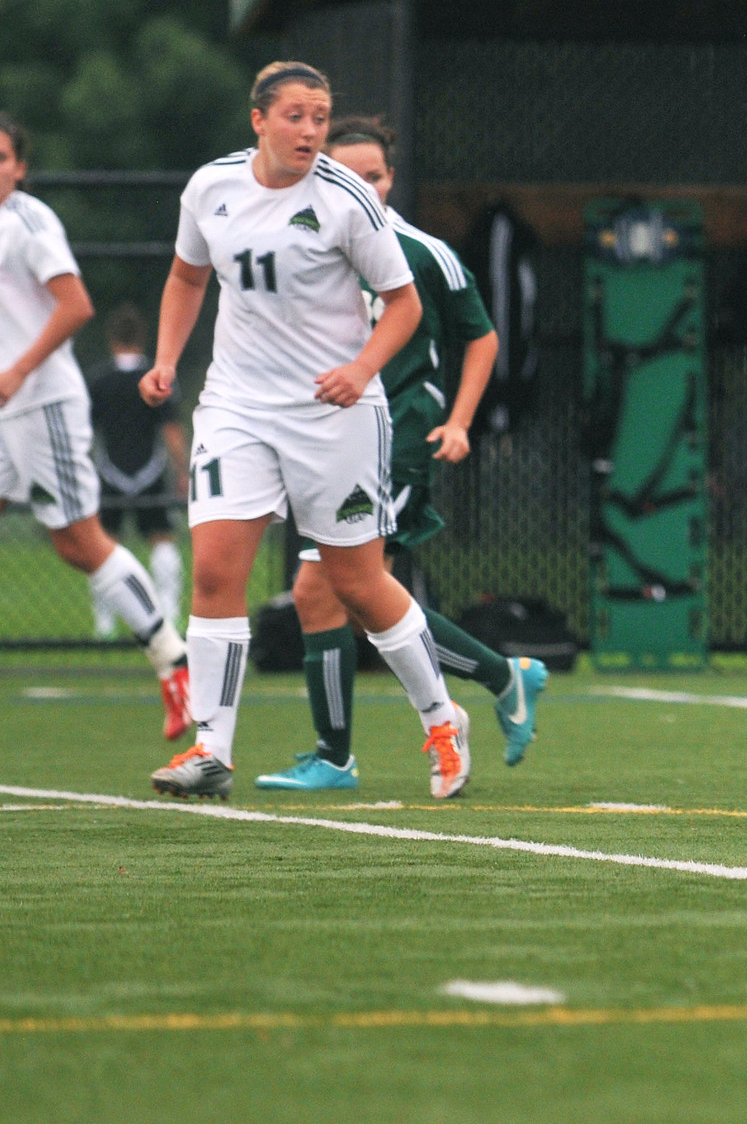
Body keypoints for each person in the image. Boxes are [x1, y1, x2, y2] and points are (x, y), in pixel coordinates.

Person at [145, 62, 470, 801]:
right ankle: (210, 749)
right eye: (295, 115)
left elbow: (404, 304)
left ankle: (441, 720)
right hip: (236, 407)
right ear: (258, 119)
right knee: (216, 572)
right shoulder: (211, 187)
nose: (310, 131)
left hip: (334, 413)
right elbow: (188, 276)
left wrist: (360, 369)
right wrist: (167, 358)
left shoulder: (345, 196)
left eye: (320, 117)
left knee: (357, 581)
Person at [252, 115, 546, 793]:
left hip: (399, 435)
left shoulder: (421, 251)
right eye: (345, 174)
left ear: (392, 179)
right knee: (329, 593)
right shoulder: (303, 245)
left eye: (376, 175)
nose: (363, 187)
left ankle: (339, 753)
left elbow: (482, 337)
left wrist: (462, 420)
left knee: (335, 587)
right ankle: (503, 678)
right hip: (327, 439)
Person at [0, 115, 192, 740]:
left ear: (20, 167)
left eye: (2, 157)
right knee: (68, 542)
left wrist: (18, 371)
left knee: (80, 542)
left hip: (40, 405)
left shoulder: (28, 222)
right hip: (9, 409)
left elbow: (76, 304)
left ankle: (175, 663)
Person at [86, 306, 187, 639]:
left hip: (108, 472)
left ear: (112, 339)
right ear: (142, 338)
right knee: (162, 540)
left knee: (103, 547)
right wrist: (182, 472)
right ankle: (169, 614)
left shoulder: (99, 381)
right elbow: (171, 431)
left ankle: (105, 624)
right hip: (151, 472)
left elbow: (85, 433)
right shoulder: (157, 377)